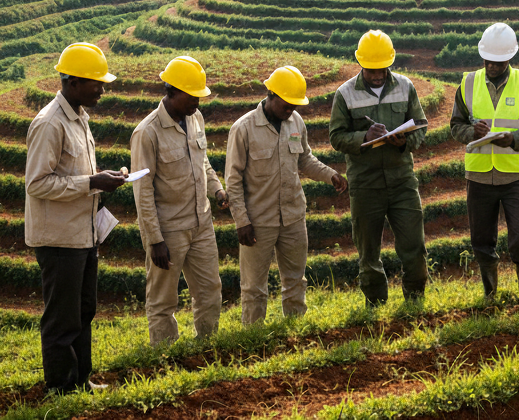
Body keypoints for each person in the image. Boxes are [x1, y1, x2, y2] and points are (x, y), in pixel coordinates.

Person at [25, 43, 126, 394]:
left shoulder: (79, 118)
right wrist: (92, 182)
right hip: (59, 239)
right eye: (95, 83)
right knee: (62, 318)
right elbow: (37, 183)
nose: (102, 89)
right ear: (72, 82)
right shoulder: (49, 124)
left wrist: (102, 177)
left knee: (84, 311)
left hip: (83, 235)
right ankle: (60, 387)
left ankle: (81, 379)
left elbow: (75, 172)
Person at [227, 66, 347, 321]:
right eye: (287, 103)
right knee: (254, 287)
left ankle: (294, 331)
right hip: (258, 222)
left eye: (295, 104)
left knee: (295, 281)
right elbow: (233, 180)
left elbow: (305, 159)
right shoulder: (244, 128)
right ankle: (254, 337)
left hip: (293, 217)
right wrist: (241, 221)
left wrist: (330, 175)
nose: (291, 109)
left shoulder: (296, 122)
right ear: (271, 94)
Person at [129, 56, 227, 347]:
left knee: (210, 292)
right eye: (192, 96)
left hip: (202, 224)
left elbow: (203, 163)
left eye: (200, 95)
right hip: (169, 231)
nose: (197, 101)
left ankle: (205, 348)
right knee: (163, 300)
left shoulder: (196, 119)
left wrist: (217, 190)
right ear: (171, 91)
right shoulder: (147, 133)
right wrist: (154, 239)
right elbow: (142, 191)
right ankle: (164, 355)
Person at [449, 23, 519, 310]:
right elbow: (456, 126)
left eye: (498, 61)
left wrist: (514, 138)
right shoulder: (467, 83)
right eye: (488, 60)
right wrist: (472, 133)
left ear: (509, 58)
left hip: (515, 175)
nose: (492, 65)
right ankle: (490, 293)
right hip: (479, 175)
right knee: (481, 238)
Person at [328, 30, 428, 307]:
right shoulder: (344, 94)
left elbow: (420, 126)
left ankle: (415, 300)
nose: (376, 75)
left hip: (402, 182)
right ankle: (376, 305)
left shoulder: (406, 87)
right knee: (368, 253)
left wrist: (402, 141)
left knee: (414, 247)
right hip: (365, 184)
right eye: (371, 70)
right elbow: (336, 136)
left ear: (390, 64)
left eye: (381, 69)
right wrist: (364, 138)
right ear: (361, 64)